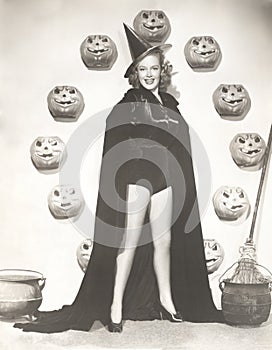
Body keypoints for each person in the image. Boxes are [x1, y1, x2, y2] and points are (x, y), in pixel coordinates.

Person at [14, 24, 223, 334]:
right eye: (143, 69)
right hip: (138, 176)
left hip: (167, 177)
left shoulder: (171, 104)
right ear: (135, 73)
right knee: (129, 239)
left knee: (163, 241)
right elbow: (117, 142)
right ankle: (115, 304)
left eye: (154, 68)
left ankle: (167, 300)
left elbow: (180, 145)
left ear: (161, 71)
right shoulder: (129, 102)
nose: (149, 74)